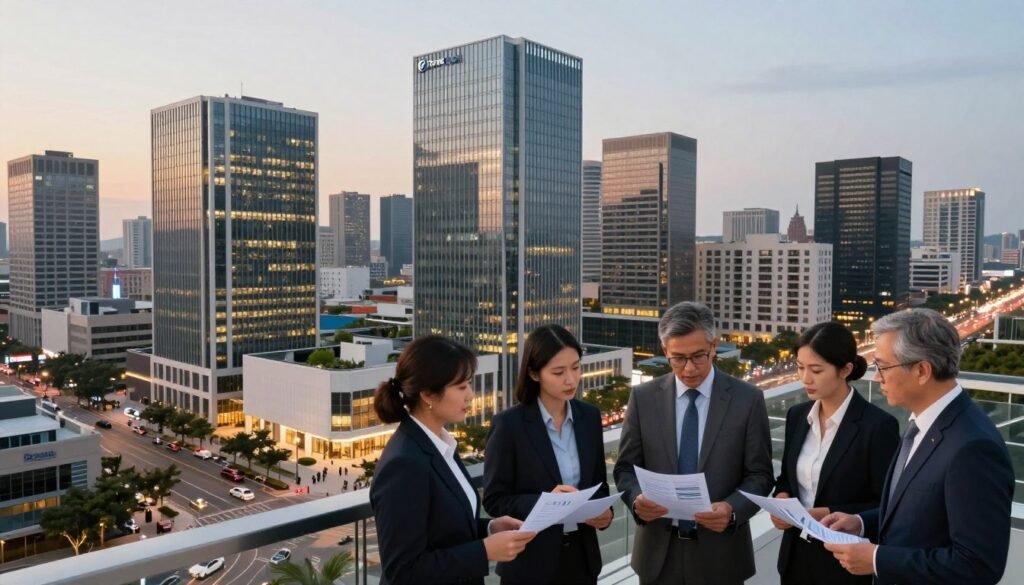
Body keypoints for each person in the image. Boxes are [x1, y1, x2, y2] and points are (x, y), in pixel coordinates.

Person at [822, 309, 1014, 585]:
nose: (877, 378)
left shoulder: (973, 448)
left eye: (882, 366)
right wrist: (861, 522)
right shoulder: (923, 424)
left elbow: (978, 566)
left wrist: (877, 559)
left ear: (922, 371)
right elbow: (920, 512)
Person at [614, 301, 774, 585]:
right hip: (657, 558)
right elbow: (625, 469)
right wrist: (637, 499)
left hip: (722, 556)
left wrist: (732, 509)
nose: (689, 369)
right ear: (665, 351)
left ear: (714, 345)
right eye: (678, 358)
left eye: (698, 356)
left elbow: (760, 475)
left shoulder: (747, 400)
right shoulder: (643, 398)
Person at [370, 335, 536, 585]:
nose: (470, 395)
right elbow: (403, 570)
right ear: (428, 394)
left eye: (469, 384)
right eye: (461, 387)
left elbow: (444, 531)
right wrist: (485, 551)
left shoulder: (441, 445)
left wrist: (490, 529)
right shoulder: (404, 463)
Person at [483, 325, 612, 585]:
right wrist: (546, 503)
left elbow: (599, 484)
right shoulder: (510, 425)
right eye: (558, 372)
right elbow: (495, 499)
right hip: (530, 562)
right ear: (534, 374)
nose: (571, 380)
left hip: (582, 560)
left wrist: (604, 513)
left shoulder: (589, 417)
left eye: (576, 367)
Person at [771, 322, 899, 584]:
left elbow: (888, 505)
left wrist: (828, 511)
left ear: (846, 369)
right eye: (800, 367)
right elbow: (786, 478)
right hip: (795, 558)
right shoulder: (797, 416)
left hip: (845, 566)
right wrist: (781, 498)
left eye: (816, 370)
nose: (805, 378)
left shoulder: (877, 426)